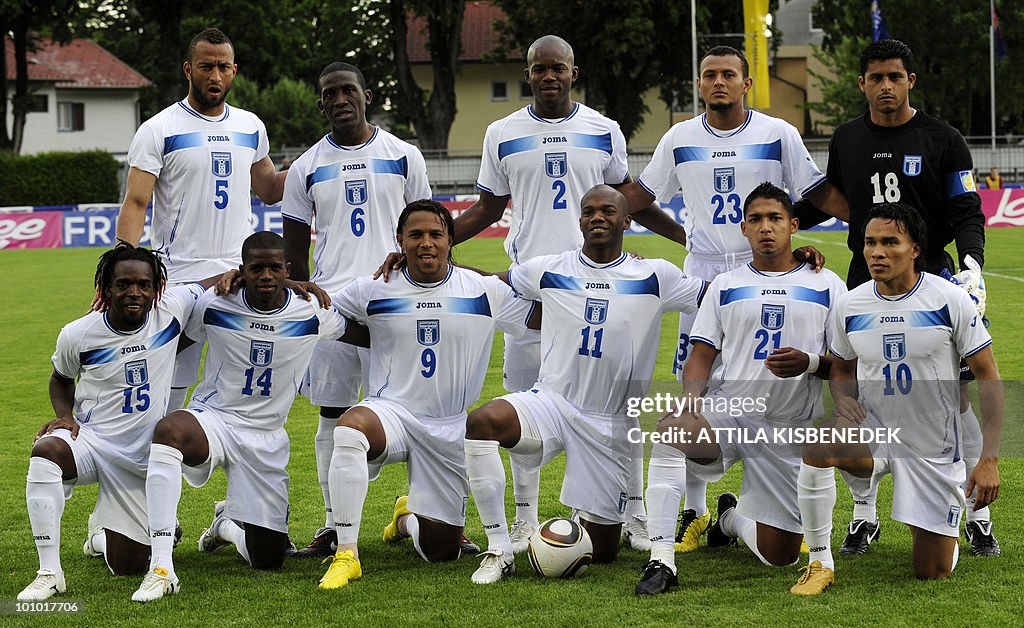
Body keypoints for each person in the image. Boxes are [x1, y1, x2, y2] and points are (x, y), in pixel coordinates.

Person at [379, 35, 679, 553]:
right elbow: (489, 207)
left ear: (573, 72)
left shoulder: (603, 129)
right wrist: (433, 244)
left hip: (601, 286)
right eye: (539, 69)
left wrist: (686, 239)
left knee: (621, 405)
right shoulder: (502, 131)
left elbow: (627, 202)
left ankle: (634, 513)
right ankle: (523, 519)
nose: (548, 76)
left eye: (557, 68)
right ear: (528, 73)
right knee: (525, 404)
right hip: (532, 288)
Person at [616, 45, 846, 553]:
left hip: (769, 269)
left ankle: (752, 496)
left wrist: (869, 226)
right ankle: (695, 513)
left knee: (761, 380)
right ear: (699, 84)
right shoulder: (679, 137)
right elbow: (641, 196)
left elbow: (815, 191)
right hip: (705, 279)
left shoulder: (778, 134)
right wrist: (666, 233)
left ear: (746, 83)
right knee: (698, 391)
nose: (717, 82)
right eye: (708, 75)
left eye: (728, 74)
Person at [795, 39, 995, 556]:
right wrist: (786, 224)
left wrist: (971, 264)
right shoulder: (846, 138)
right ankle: (865, 515)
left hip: (933, 281)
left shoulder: (942, 138)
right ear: (862, 83)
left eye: (896, 77)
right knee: (862, 396)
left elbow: (968, 208)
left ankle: (979, 513)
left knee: (953, 395)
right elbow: (839, 201)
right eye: (876, 77)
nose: (887, 86)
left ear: (911, 81)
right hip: (868, 280)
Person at [464, 185, 706, 584]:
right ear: (579, 221)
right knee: (484, 421)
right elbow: (488, 281)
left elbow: (719, 298)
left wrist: (789, 268)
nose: (598, 217)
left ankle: (594, 515)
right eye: (589, 211)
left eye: (608, 210)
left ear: (627, 220)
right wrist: (430, 263)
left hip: (606, 423)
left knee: (604, 550)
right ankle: (499, 549)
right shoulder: (550, 268)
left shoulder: (654, 274)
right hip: (552, 402)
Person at [635, 182, 846, 595]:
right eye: (756, 220)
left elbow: (844, 362)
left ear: (794, 226)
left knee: (779, 555)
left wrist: (812, 363)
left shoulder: (828, 284)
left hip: (790, 425)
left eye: (775, 218)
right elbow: (701, 353)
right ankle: (661, 561)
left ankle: (728, 518)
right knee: (670, 431)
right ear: (743, 228)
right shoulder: (726, 284)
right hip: (732, 411)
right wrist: (691, 401)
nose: (766, 227)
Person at [131, 232, 365, 602]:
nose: (267, 276)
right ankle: (161, 567)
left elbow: (358, 333)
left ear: (288, 271)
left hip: (266, 437)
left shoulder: (311, 309)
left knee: (268, 558)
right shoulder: (215, 302)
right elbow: (178, 343)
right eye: (257, 269)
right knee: (170, 430)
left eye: (275, 268)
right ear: (242, 271)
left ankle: (225, 525)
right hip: (215, 420)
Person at [317, 200, 536, 590]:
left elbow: (537, 316)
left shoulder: (482, 290)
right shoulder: (375, 287)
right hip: (392, 414)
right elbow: (327, 313)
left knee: (441, 551)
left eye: (436, 234)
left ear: (450, 240)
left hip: (450, 426)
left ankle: (405, 516)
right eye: (415, 235)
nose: (426, 243)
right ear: (399, 240)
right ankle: (346, 553)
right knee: (350, 428)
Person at [790, 203, 1002, 595]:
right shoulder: (851, 304)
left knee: (931, 571)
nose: (876, 252)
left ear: (915, 248)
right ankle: (819, 562)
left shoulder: (950, 300)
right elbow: (840, 366)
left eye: (890, 242)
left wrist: (987, 459)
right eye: (870, 242)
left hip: (932, 445)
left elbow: (988, 376)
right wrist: (843, 401)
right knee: (820, 442)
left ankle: (943, 526)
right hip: (876, 430)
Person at [282, 61, 431, 558]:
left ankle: (421, 510)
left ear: (367, 96)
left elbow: (425, 224)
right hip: (332, 307)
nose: (341, 99)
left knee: (416, 412)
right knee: (332, 413)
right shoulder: (305, 167)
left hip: (396, 300)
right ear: (321, 103)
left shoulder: (405, 155)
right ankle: (332, 525)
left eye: (349, 90)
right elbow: (294, 248)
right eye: (330, 94)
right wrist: (302, 291)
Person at [18, 246, 214, 600]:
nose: (134, 293)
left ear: (157, 288)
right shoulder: (78, 334)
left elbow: (211, 283)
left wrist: (241, 273)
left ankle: (99, 535)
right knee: (46, 451)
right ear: (106, 288)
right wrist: (64, 416)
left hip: (143, 458)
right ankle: (48, 572)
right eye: (123, 284)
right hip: (94, 443)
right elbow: (61, 377)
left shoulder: (171, 310)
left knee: (127, 564)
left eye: (143, 284)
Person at [115, 27, 286, 415]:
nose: (215, 76)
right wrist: (121, 266)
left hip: (239, 278)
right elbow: (137, 202)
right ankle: (156, 462)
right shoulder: (159, 129)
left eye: (223, 67)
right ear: (188, 69)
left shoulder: (250, 126)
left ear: (234, 71)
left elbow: (270, 189)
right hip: (179, 278)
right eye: (206, 66)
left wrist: (320, 160)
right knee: (169, 389)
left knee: (244, 386)